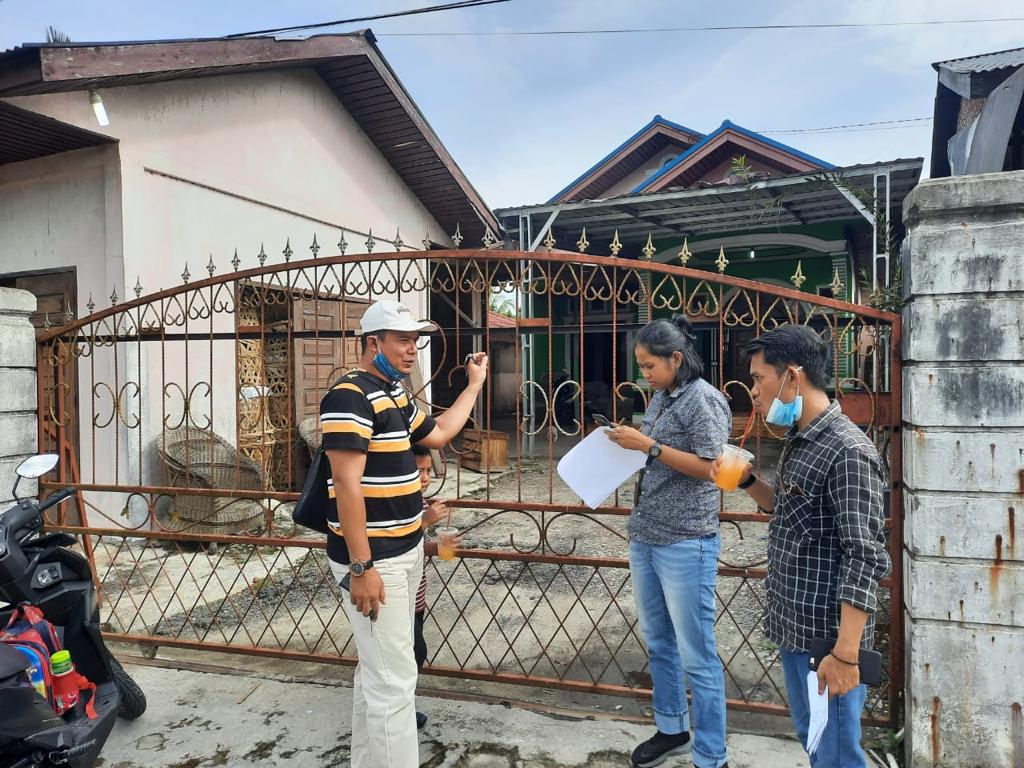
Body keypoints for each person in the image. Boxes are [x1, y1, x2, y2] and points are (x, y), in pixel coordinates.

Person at [710, 325, 890, 767]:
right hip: (794, 627)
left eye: (759, 379)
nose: (753, 392)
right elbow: (788, 509)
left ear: (792, 376)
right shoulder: (800, 437)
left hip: (829, 640)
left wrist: (845, 655)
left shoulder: (848, 451)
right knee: (814, 740)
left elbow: (865, 555)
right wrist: (747, 481)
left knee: (836, 752)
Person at [320, 299, 486, 768]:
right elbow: (346, 486)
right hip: (377, 559)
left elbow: (439, 433)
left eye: (415, 340)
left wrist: (474, 385)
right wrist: (361, 567)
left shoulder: (394, 394)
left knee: (378, 675)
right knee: (394, 686)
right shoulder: (349, 396)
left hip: (405, 550)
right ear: (373, 342)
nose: (412, 349)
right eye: (402, 340)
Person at [605, 315, 731, 768]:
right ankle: (672, 727)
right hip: (647, 532)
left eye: (649, 366)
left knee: (698, 655)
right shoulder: (662, 395)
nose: (645, 375)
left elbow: (714, 468)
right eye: (640, 366)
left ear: (675, 358)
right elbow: (655, 453)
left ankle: (712, 755)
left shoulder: (703, 399)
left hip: (686, 539)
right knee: (659, 642)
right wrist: (629, 444)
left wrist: (649, 447)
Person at [410, 443, 458, 730]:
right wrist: (425, 522)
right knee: (414, 652)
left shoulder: (420, 501)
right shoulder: (398, 502)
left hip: (417, 592)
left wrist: (436, 548)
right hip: (398, 592)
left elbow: (415, 546)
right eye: (419, 471)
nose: (425, 478)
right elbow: (395, 539)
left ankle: (403, 705)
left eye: (428, 471)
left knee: (409, 653)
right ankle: (400, 708)